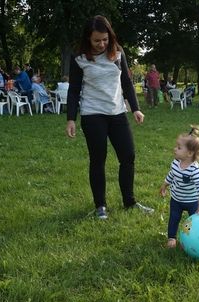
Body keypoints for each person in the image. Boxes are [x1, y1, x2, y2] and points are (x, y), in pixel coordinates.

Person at [66, 15, 153, 219]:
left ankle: (129, 202)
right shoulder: (79, 57)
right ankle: (100, 206)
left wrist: (135, 108)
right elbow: (74, 90)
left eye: (105, 39)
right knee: (98, 159)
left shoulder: (118, 53)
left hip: (117, 112)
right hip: (93, 113)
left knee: (128, 156)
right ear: (88, 38)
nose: (101, 44)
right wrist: (71, 118)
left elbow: (127, 83)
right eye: (97, 40)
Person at [160, 125, 199, 249]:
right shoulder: (176, 163)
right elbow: (172, 175)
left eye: (179, 147)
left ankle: (192, 239)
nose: (175, 149)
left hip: (192, 202)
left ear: (189, 153)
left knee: (194, 223)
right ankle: (172, 238)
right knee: (174, 218)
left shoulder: (195, 170)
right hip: (176, 199)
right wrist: (165, 185)